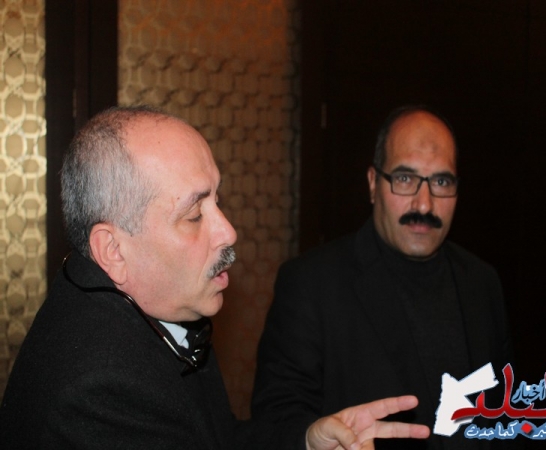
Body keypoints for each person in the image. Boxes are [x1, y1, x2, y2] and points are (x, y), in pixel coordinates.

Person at [0, 106, 430, 449]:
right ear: (113, 250)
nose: (228, 231)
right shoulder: (99, 392)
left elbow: (213, 438)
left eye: (217, 201)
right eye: (194, 215)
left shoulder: (158, 307)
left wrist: (305, 440)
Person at [252, 106, 513, 449]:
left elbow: (503, 416)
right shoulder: (310, 284)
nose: (424, 205)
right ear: (374, 184)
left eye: (441, 182)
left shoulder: (482, 282)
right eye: (405, 179)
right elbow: (274, 424)